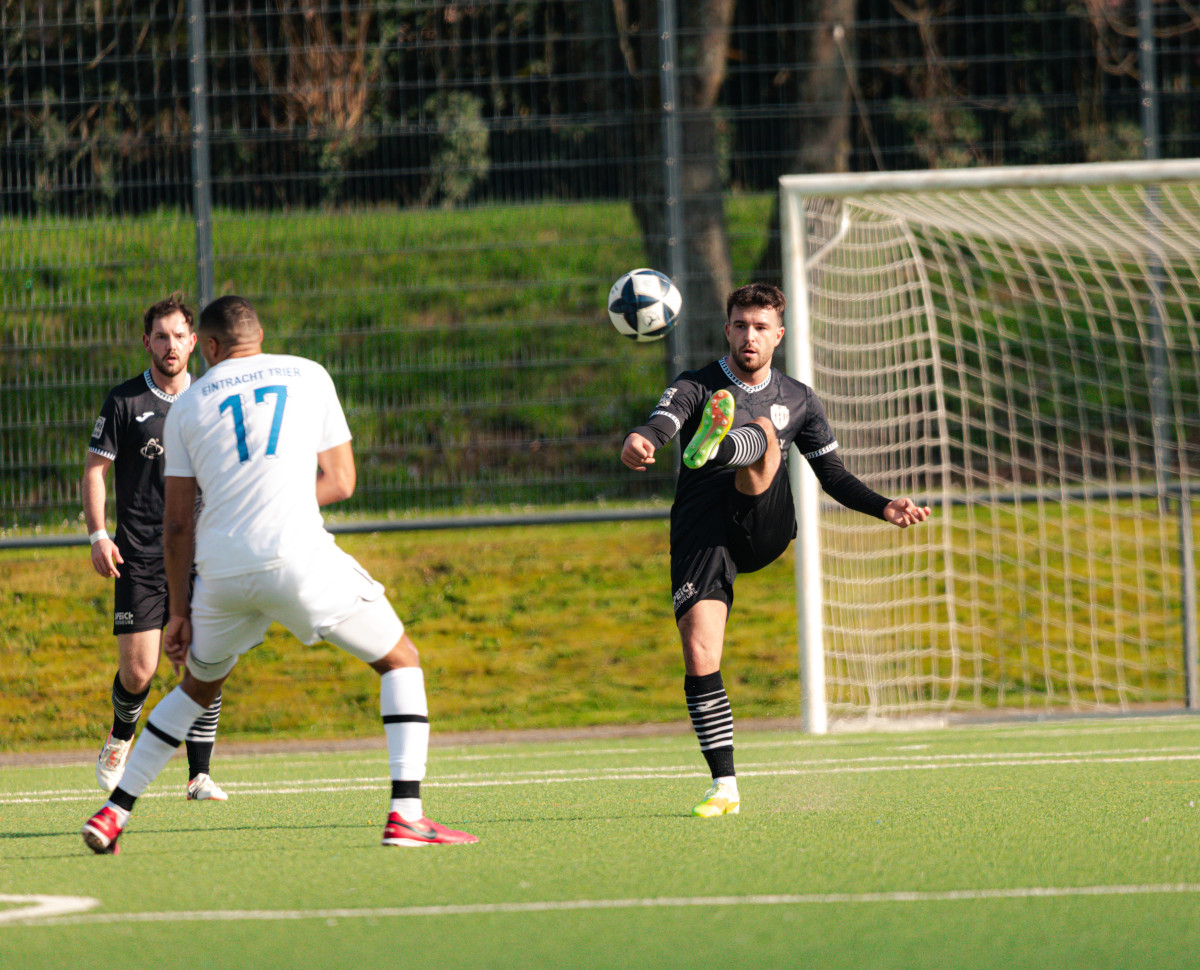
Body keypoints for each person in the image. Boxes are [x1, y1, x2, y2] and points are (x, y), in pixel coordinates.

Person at [81, 295, 477, 854]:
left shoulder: (190, 405)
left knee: (195, 687)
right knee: (400, 659)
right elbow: (340, 482)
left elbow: (175, 526)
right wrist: (281, 506)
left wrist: (178, 612)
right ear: (260, 336)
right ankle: (407, 814)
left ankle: (113, 813)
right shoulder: (310, 375)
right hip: (296, 555)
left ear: (208, 346)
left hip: (217, 566)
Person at [620, 282, 931, 818]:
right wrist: (644, 439)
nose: (749, 336)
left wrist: (883, 506)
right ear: (727, 330)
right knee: (699, 654)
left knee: (764, 428)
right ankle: (725, 788)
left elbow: (830, 475)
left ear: (778, 335)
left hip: (764, 521)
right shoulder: (697, 384)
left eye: (760, 328)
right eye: (740, 325)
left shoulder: (798, 399)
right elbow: (663, 420)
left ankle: (725, 445)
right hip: (704, 532)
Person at [82, 295, 228, 801]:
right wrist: (99, 534)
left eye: (179, 336)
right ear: (147, 342)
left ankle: (199, 774)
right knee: (139, 671)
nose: (170, 346)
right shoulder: (124, 402)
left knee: (204, 659)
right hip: (140, 554)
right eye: (160, 337)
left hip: (201, 552)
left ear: (194, 342)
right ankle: (121, 735)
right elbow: (95, 471)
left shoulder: (212, 398)